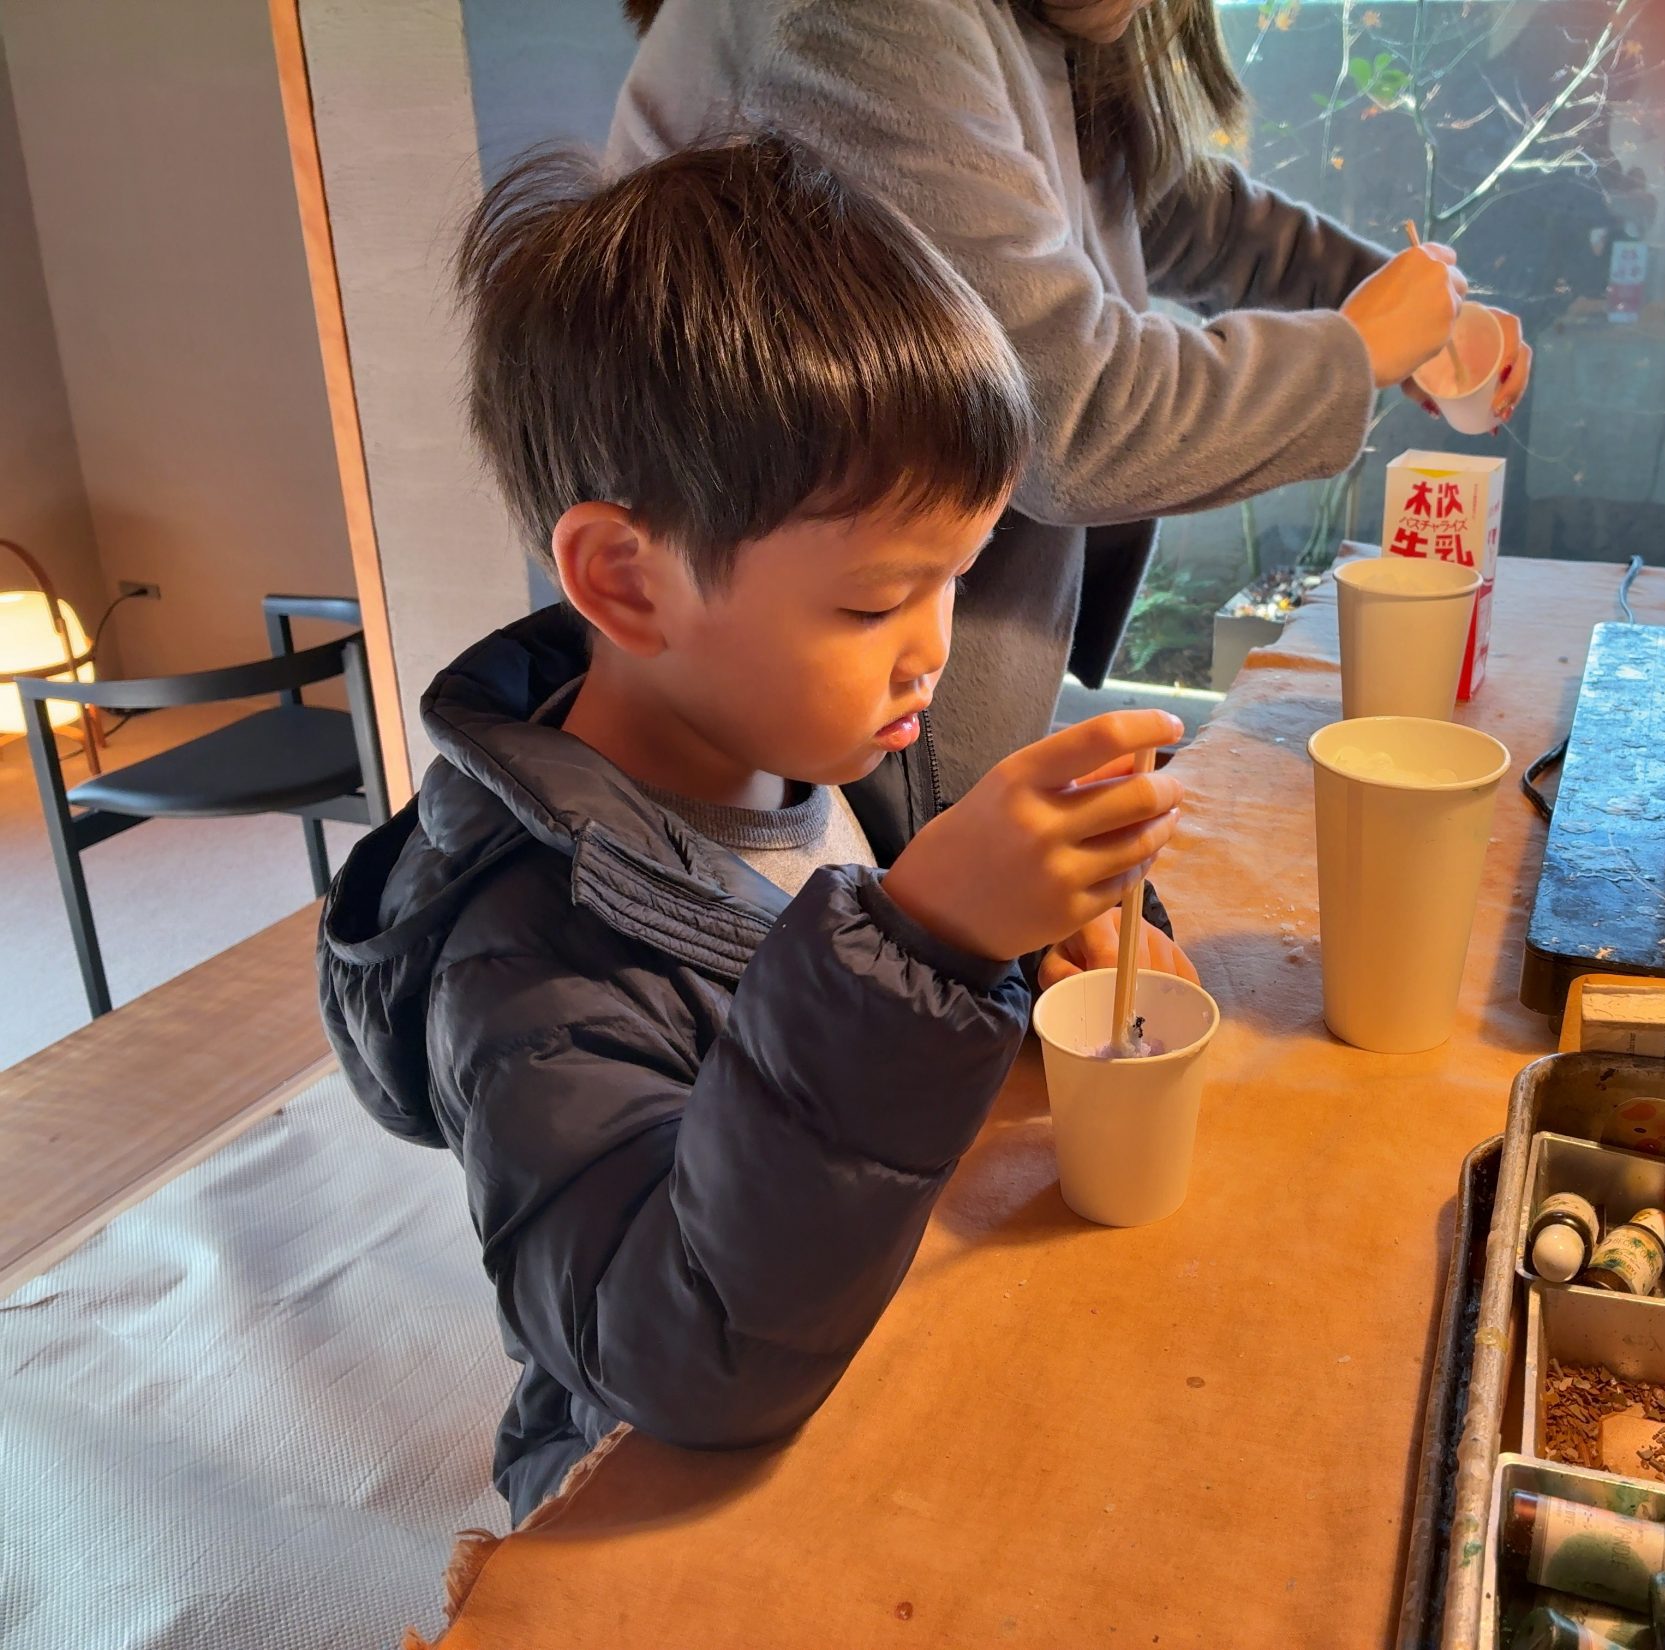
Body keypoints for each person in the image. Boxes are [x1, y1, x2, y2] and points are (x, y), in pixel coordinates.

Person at [318, 137, 1193, 1521]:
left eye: (956, 580)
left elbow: (905, 981)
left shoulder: (823, 745)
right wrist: (923, 950)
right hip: (649, 1499)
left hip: (881, 1340)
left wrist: (1042, 934)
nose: (930, 650)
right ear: (627, 581)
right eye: (874, 602)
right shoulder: (527, 963)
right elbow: (687, 1355)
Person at [607, 0, 1529, 814]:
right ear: (610, 576)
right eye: (879, 602)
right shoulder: (856, 20)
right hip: (829, 762)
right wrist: (1356, 348)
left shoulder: (1032, 25)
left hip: (880, 749)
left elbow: (1162, 201)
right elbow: (1070, 420)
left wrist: (1383, 304)